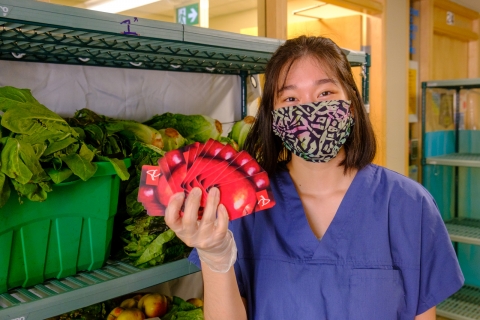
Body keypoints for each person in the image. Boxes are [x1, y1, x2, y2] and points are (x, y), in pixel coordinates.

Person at [165, 36, 464, 320]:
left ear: (352, 106)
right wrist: (213, 256)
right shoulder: (244, 207)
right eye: (291, 98)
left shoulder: (409, 206)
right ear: (273, 118)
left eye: (325, 93)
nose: (309, 110)